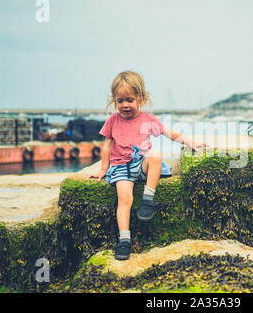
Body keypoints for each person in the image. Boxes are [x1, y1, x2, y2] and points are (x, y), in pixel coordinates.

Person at [89, 71, 207, 260]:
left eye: (129, 99)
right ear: (114, 101)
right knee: (124, 199)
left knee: (155, 155)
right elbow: (107, 145)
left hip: (141, 164)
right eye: (120, 101)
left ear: (141, 98)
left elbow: (170, 133)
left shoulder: (148, 120)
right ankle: (125, 239)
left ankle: (148, 198)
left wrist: (189, 142)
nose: (125, 105)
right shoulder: (112, 121)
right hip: (121, 168)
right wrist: (103, 170)